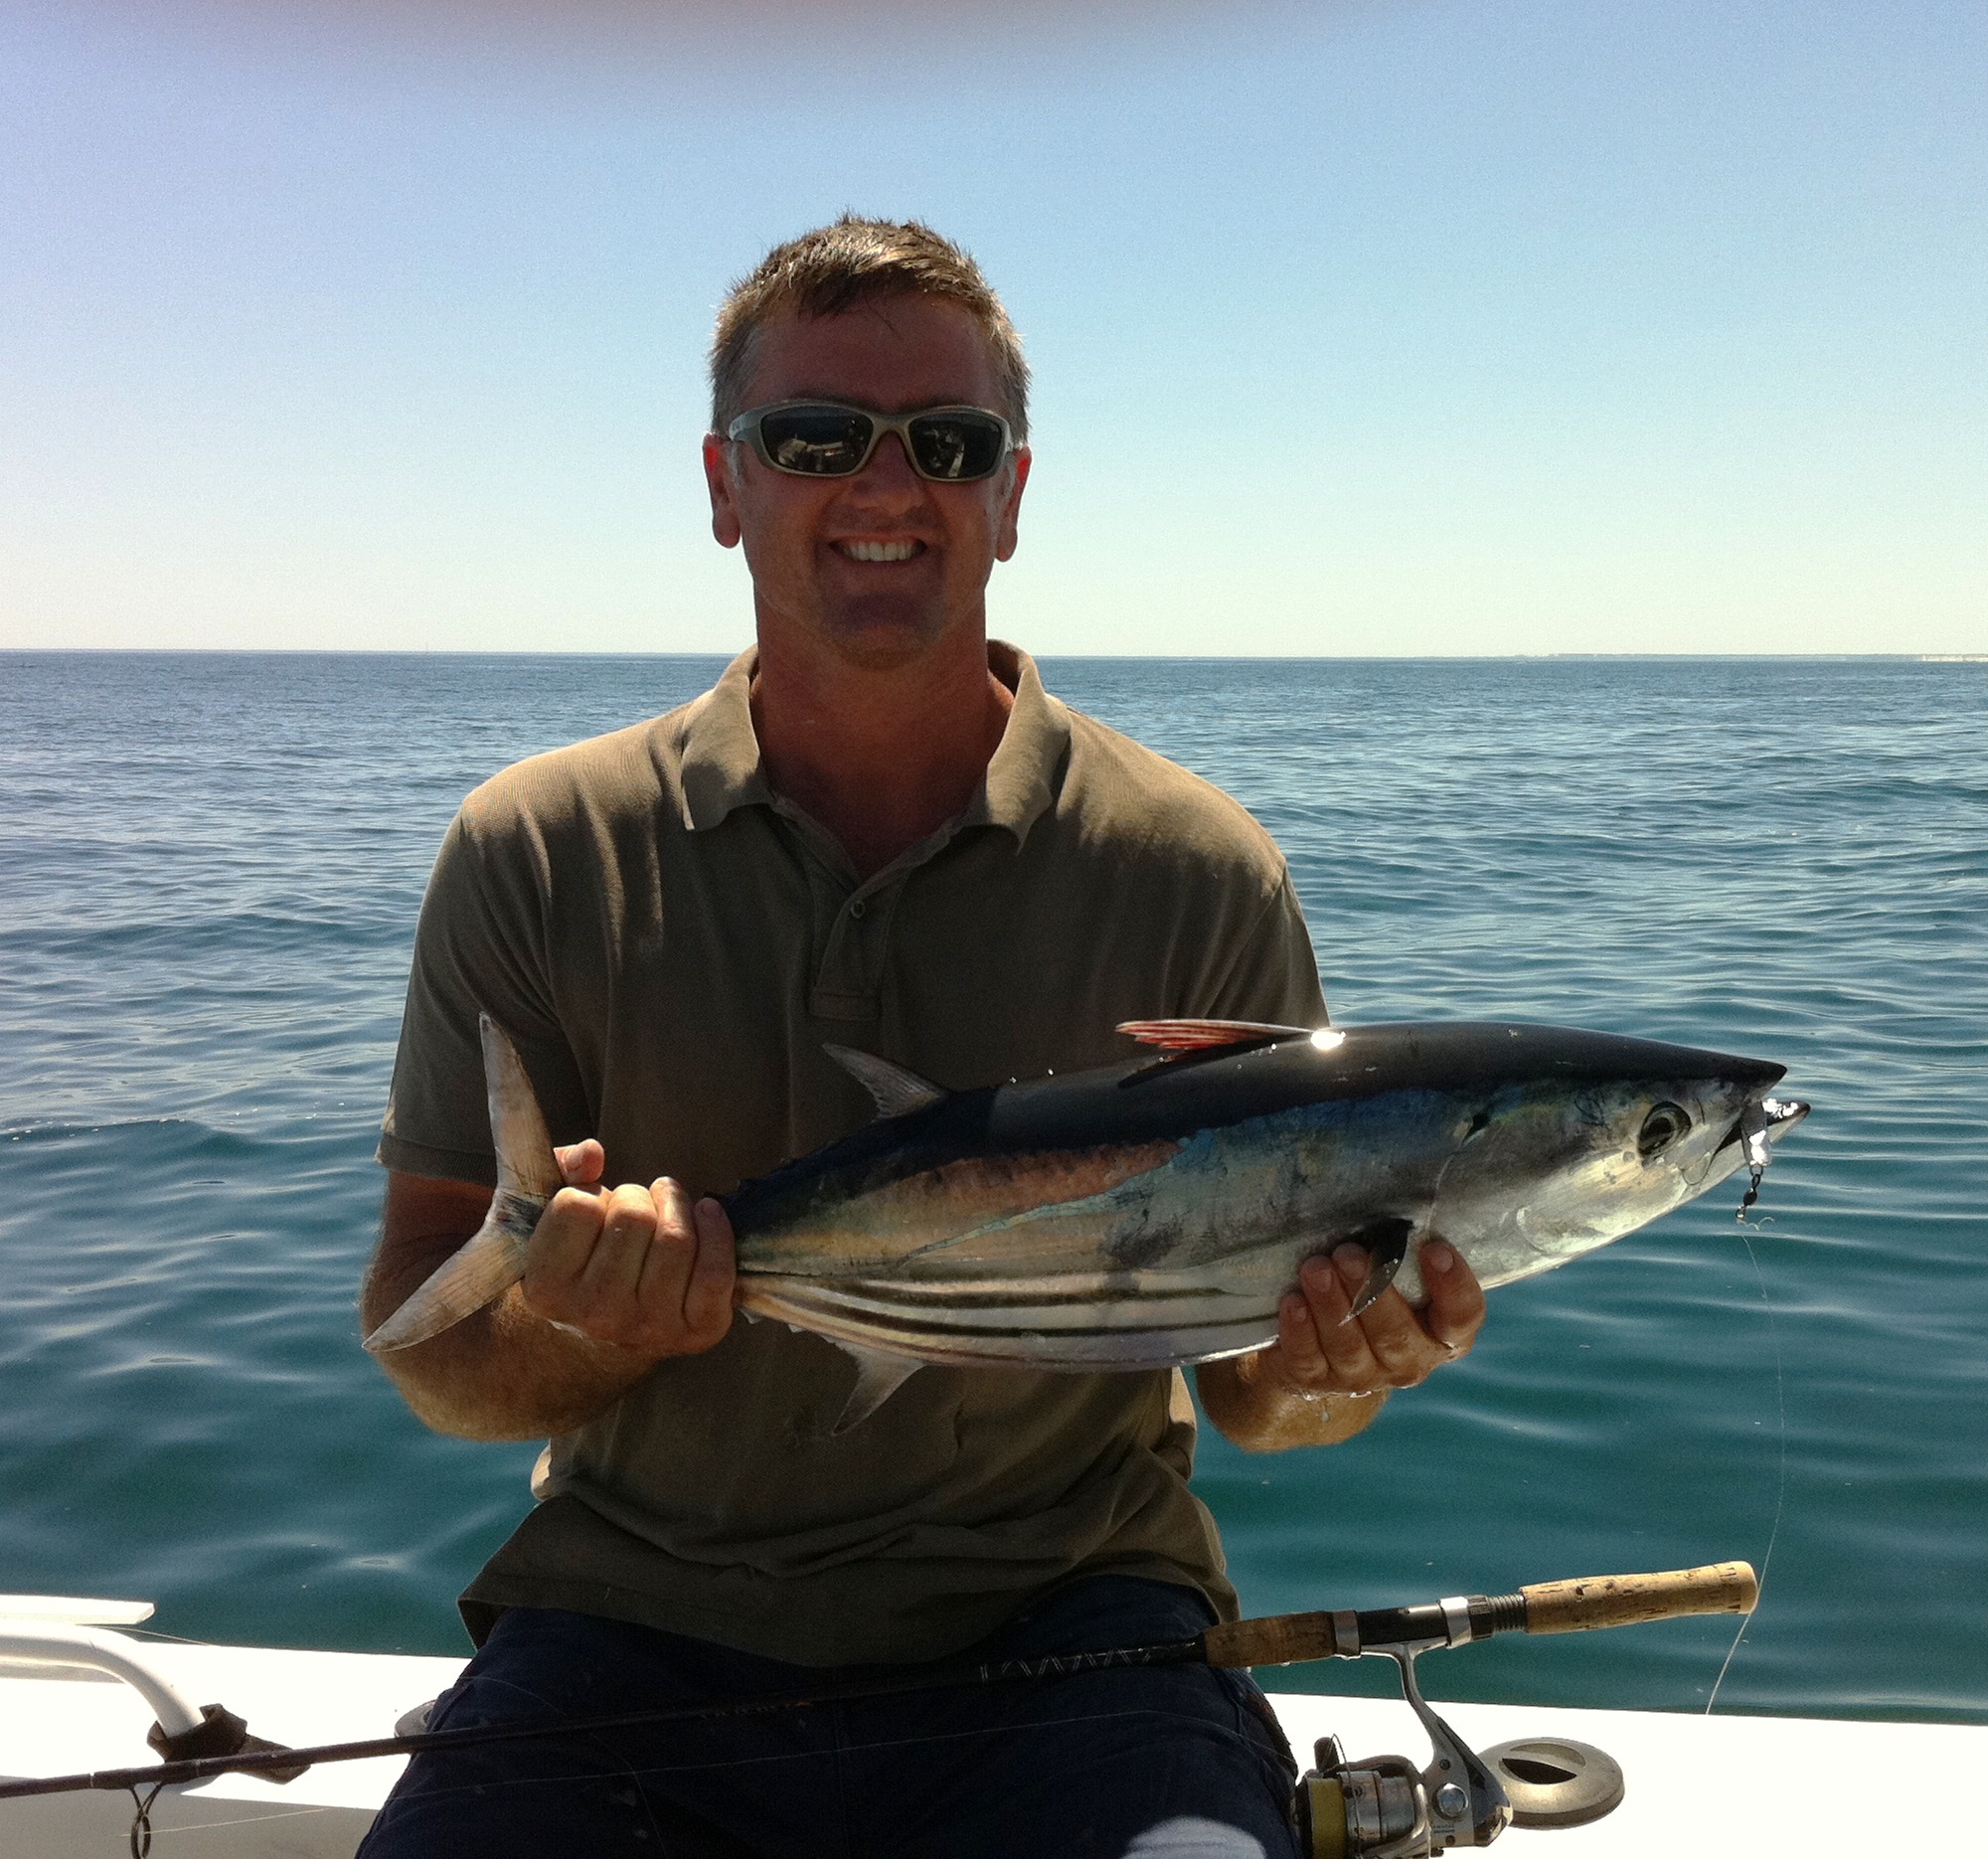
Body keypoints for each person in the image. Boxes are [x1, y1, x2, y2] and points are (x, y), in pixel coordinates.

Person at [358, 217, 1485, 1858]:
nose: (885, 488)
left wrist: (1341, 1370)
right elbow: (437, 1363)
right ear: (723, 481)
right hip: (629, 1625)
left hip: (1082, 1631)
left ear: (1011, 494)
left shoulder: (1195, 867)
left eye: (945, 445)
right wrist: (593, 1329)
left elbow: (1256, 1400)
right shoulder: (540, 851)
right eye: (814, 436)